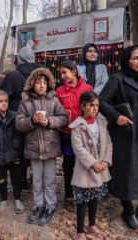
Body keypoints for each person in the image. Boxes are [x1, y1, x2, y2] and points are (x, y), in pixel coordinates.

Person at [99, 45, 138, 229]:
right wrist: (117, 117)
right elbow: (101, 102)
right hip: (128, 135)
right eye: (135, 58)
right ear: (127, 60)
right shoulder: (117, 79)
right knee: (128, 173)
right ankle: (128, 211)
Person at [16, 68, 68, 226]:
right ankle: (39, 205)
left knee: (50, 180)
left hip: (50, 146)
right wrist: (32, 120)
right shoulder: (25, 102)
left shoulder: (54, 100)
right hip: (33, 148)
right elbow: (19, 123)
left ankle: (50, 207)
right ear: (32, 83)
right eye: (38, 82)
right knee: (37, 180)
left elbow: (63, 117)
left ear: (49, 84)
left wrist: (49, 122)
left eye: (45, 82)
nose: (41, 85)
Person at [0, 46, 45, 190]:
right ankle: (37, 179)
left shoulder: (12, 76)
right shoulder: (43, 74)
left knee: (19, 148)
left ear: (20, 58)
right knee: (38, 147)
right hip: (40, 115)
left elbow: (3, 95)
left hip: (17, 118)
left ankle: (22, 181)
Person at [69, 91, 112, 240]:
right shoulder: (77, 126)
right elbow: (78, 149)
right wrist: (93, 164)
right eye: (91, 105)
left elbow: (108, 144)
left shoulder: (101, 123)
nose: (94, 108)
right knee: (82, 202)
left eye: (97, 106)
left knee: (94, 199)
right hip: (85, 171)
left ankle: (92, 225)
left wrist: (105, 161)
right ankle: (79, 231)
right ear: (82, 106)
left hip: (100, 169)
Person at [56, 61, 93, 212]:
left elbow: (93, 110)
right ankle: (69, 195)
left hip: (84, 134)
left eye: (65, 73)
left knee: (84, 165)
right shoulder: (59, 91)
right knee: (68, 166)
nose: (63, 76)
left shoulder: (88, 89)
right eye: (61, 74)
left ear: (74, 71)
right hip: (67, 134)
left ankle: (83, 194)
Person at [0, 89, 25, 214]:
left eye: (6, 101)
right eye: (0, 101)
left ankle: (17, 197)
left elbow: (19, 133)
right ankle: (3, 198)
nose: (4, 103)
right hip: (0, 156)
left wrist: (15, 147)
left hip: (14, 153)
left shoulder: (14, 116)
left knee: (17, 177)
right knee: (0, 178)